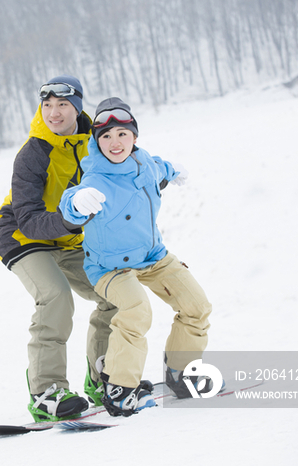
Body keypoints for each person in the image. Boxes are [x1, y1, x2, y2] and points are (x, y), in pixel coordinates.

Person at [58, 97, 214, 417]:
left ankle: (180, 374)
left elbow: (160, 167)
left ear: (134, 137)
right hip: (110, 266)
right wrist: (76, 202)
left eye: (122, 134)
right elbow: (70, 202)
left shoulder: (146, 165)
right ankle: (118, 386)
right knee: (136, 311)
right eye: (106, 136)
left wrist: (175, 170)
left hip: (153, 256)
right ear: (97, 142)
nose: (115, 143)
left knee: (197, 306)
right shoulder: (95, 179)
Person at [0, 76, 118, 422]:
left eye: (62, 105)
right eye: (47, 105)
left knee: (116, 294)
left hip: (68, 237)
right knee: (56, 297)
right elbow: (29, 219)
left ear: (77, 108)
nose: (54, 112)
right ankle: (46, 392)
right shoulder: (33, 153)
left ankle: (103, 377)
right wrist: (72, 218)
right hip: (22, 237)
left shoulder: (95, 143)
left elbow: (124, 175)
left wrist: (156, 177)